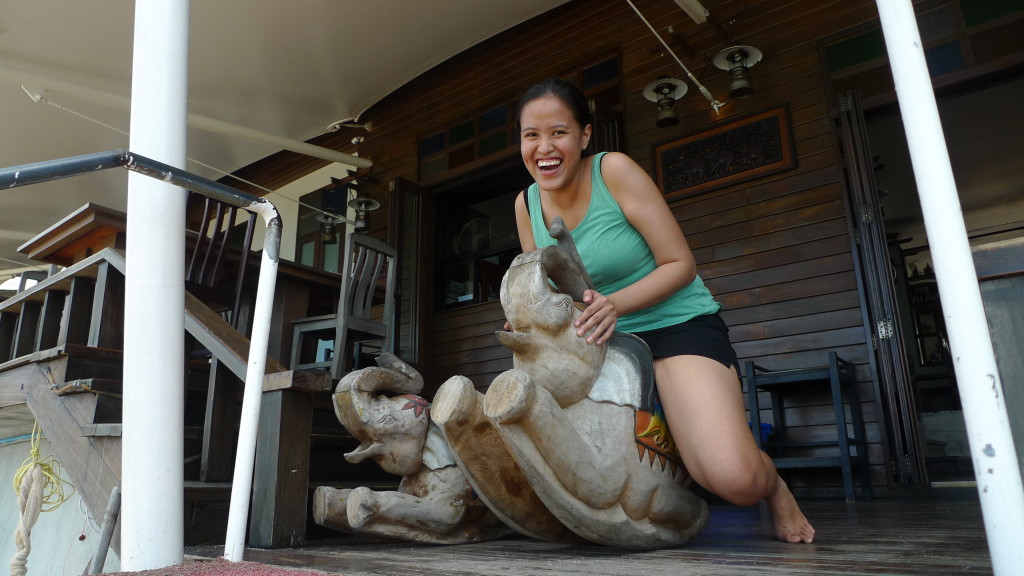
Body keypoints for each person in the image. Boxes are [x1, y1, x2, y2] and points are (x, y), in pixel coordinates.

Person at [511, 77, 815, 544]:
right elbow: (546, 291)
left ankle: (772, 483)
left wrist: (616, 304)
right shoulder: (525, 204)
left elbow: (681, 263)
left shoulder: (614, 170)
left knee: (735, 480)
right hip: (596, 345)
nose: (544, 147)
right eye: (531, 135)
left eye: (559, 132)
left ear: (585, 136)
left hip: (673, 325)